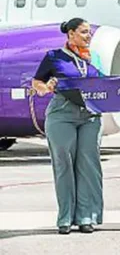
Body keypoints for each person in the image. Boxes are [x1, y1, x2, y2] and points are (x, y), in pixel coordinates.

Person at [32, 18, 105, 235]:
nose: (88, 36)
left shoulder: (95, 58)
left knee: (89, 164)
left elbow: (104, 82)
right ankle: (65, 217)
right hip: (62, 114)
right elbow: (37, 83)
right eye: (83, 32)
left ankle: (86, 217)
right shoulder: (55, 56)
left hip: (90, 116)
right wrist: (45, 87)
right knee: (64, 164)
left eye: (89, 32)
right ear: (70, 34)